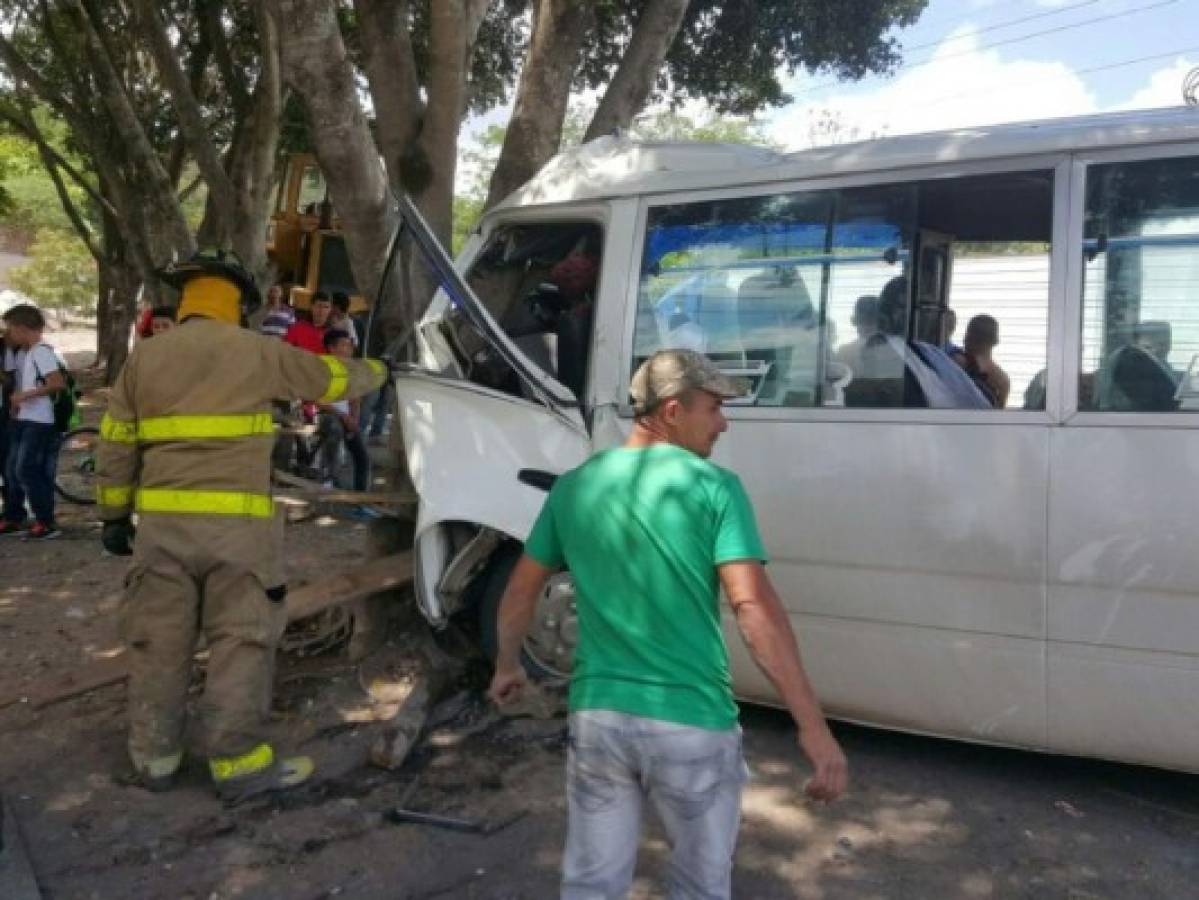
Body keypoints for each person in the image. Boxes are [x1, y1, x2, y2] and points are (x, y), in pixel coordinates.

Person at [488, 349, 848, 899]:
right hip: (691, 725)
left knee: (590, 884)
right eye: (714, 408)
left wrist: (508, 665)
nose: (723, 423)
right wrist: (813, 728)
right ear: (673, 410)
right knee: (700, 885)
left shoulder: (575, 486)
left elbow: (520, 591)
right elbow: (753, 610)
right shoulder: (713, 488)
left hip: (599, 720)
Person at [95, 252, 387, 802]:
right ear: (237, 304)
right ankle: (238, 766)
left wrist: (112, 515)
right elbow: (331, 378)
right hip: (239, 535)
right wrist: (386, 369)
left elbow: (115, 441)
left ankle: (154, 759)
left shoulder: (146, 359)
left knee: (158, 642)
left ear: (187, 303)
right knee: (241, 641)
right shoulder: (257, 351)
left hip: (162, 532)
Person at [0, 304, 66, 540]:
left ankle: (45, 521)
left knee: (26, 469)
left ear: (23, 329)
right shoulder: (26, 353)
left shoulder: (41, 352)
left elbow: (57, 383)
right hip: (24, 418)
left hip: (39, 421)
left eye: (11, 329)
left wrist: (25, 396)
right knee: (12, 469)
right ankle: (15, 516)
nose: (8, 334)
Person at [314, 330, 371, 493]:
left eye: (349, 345)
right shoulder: (322, 368)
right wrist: (343, 416)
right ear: (331, 348)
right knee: (334, 429)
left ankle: (361, 496)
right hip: (325, 414)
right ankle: (328, 479)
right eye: (344, 345)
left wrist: (354, 418)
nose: (349, 349)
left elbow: (355, 398)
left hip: (346, 418)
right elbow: (318, 401)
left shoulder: (351, 370)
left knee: (362, 455)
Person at [952, 314, 1010, 408]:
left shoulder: (957, 362)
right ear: (995, 341)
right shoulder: (1003, 380)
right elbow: (999, 414)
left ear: (968, 337)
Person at [834, 295, 880, 373]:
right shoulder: (845, 352)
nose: (865, 326)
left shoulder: (895, 351)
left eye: (870, 321)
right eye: (860, 320)